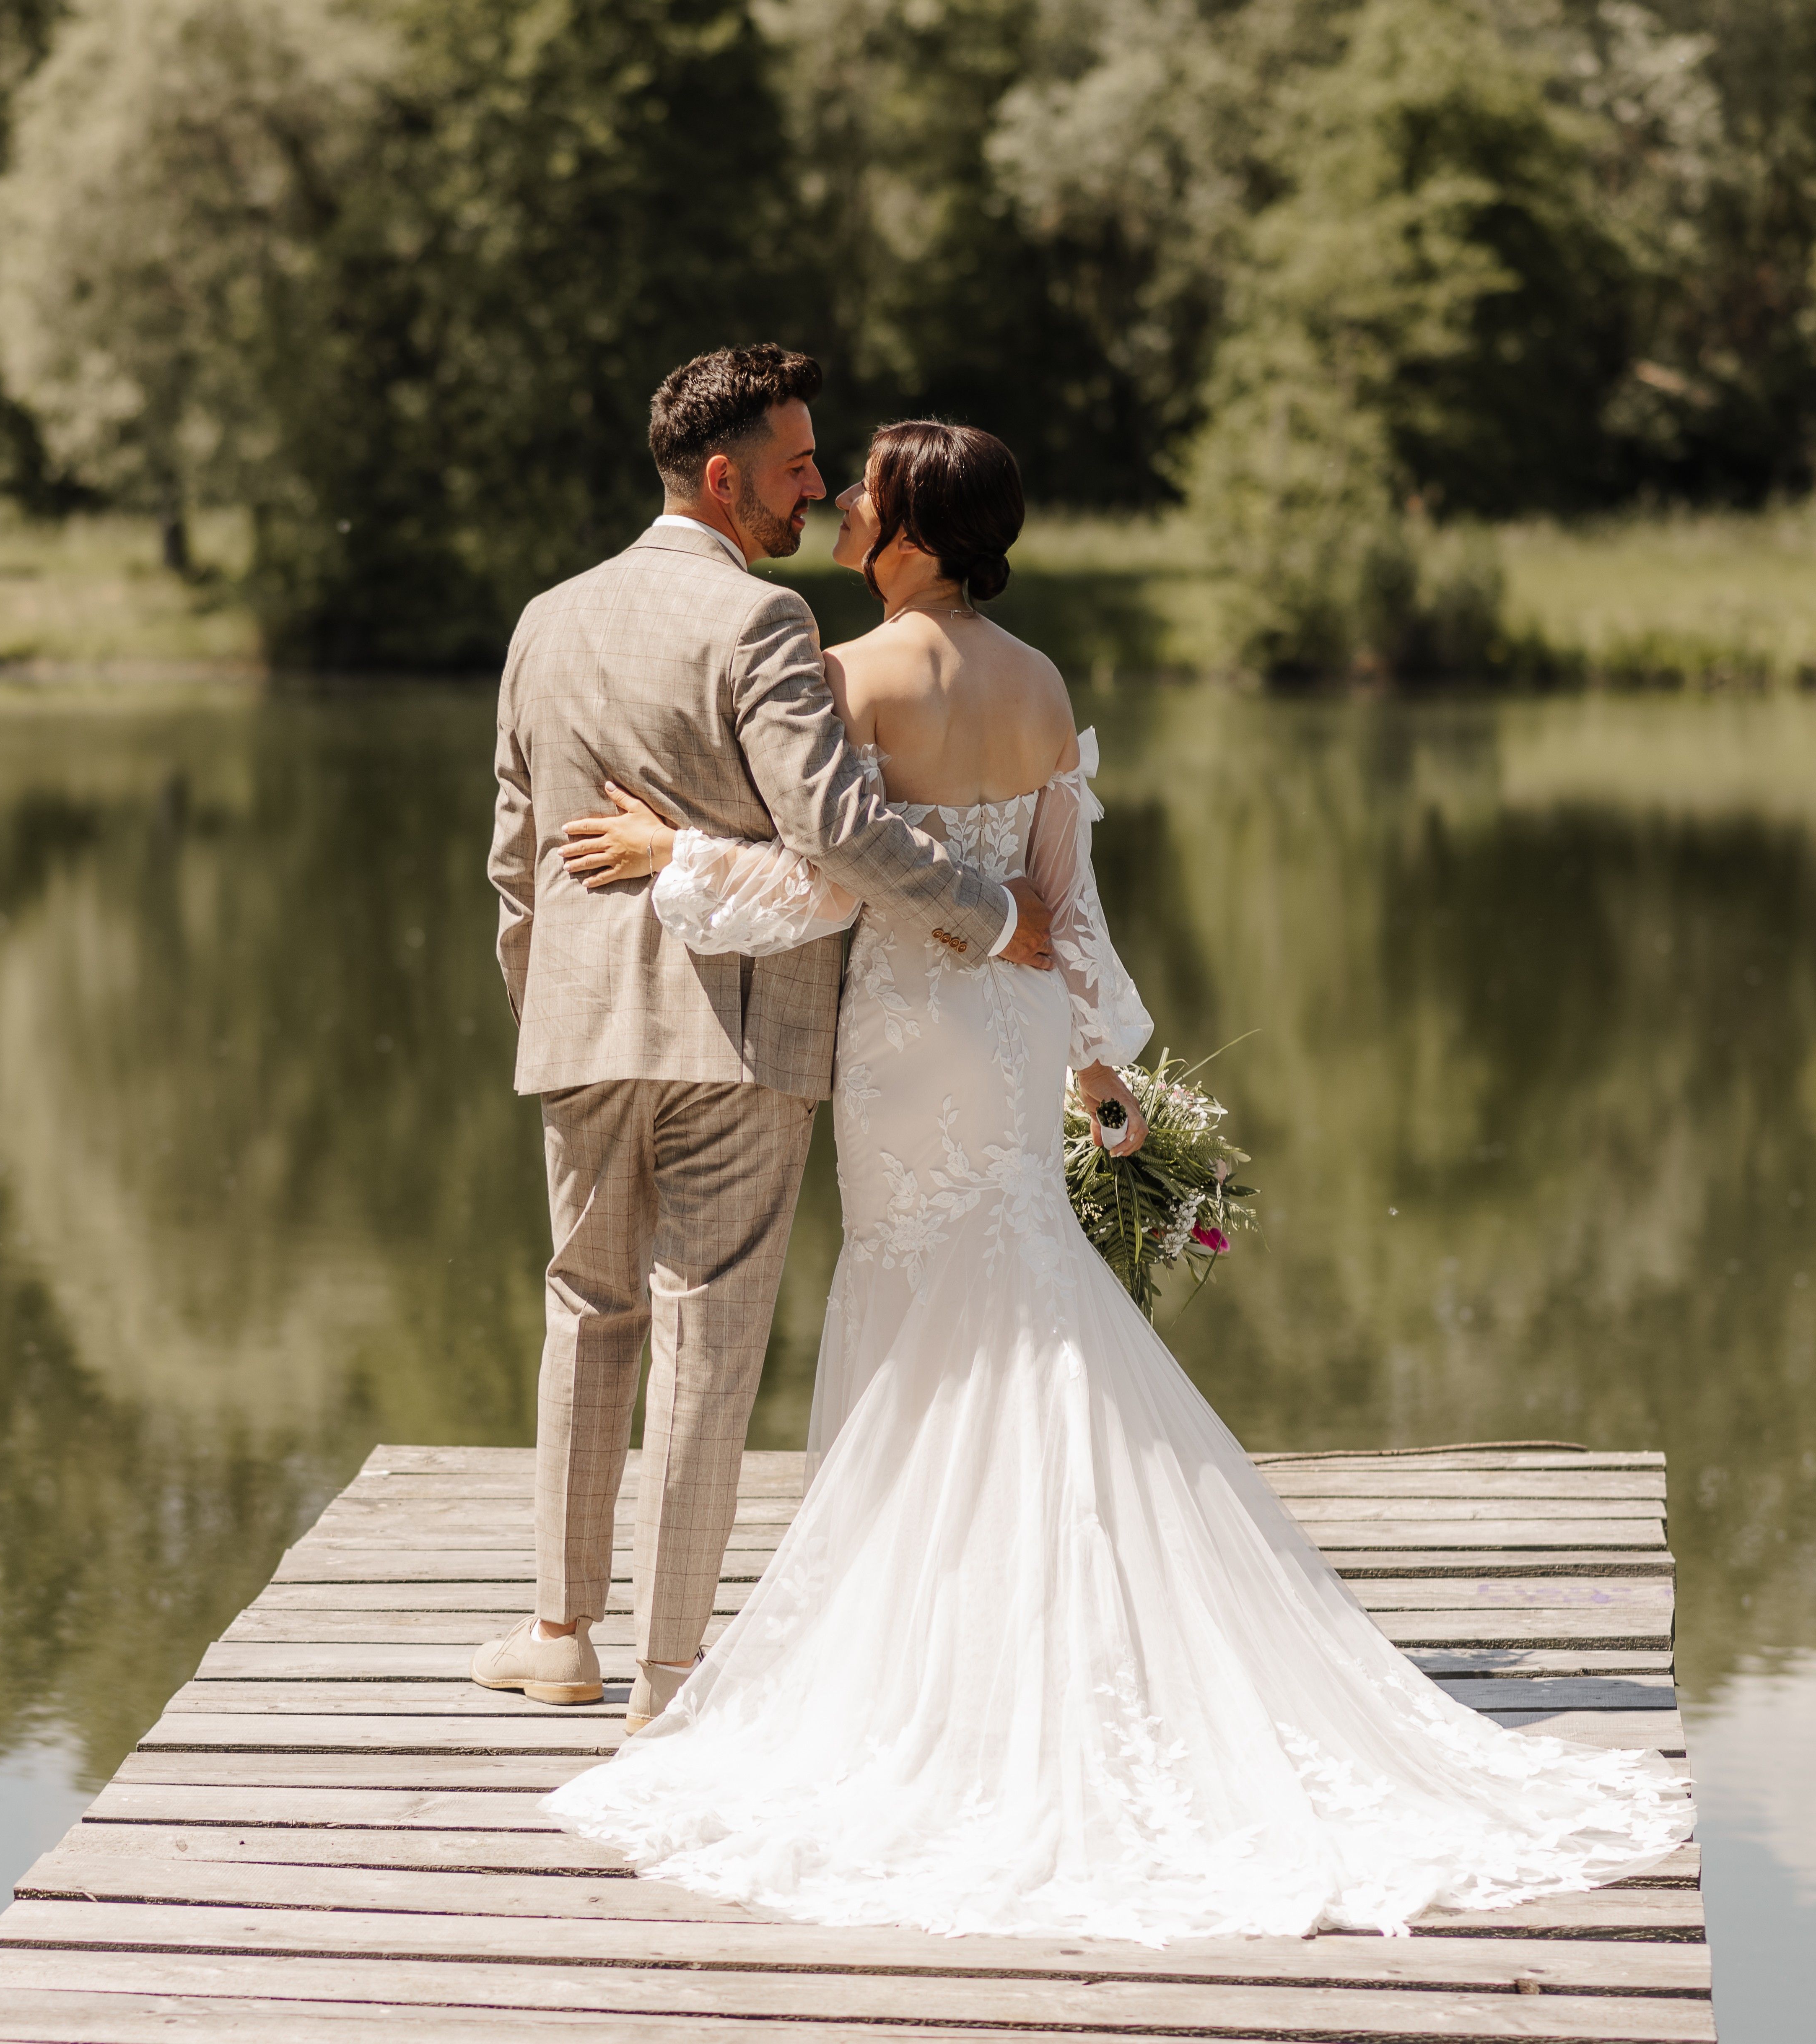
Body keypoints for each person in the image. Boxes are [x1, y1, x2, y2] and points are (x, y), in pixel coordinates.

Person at [534, 418, 1693, 1942]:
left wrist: (673, 857)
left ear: (913, 528)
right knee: (1018, 1277)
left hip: (905, 1034)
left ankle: (936, 1662)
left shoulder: (854, 674)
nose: (848, 495)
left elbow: (828, 883)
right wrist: (1101, 1079)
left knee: (919, 1296)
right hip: (1008, 1038)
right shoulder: (1044, 683)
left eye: (868, 484)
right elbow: (1067, 909)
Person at [474, 347, 1059, 1734]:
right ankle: (671, 1672)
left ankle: (560, 1631)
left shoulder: (546, 619)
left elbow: (513, 859)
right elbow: (837, 831)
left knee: (584, 1308)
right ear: (726, 477)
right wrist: (997, 914)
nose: (818, 487)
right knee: (708, 1337)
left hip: (580, 1027)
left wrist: (548, 1000)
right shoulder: (765, 624)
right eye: (800, 466)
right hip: (742, 1031)